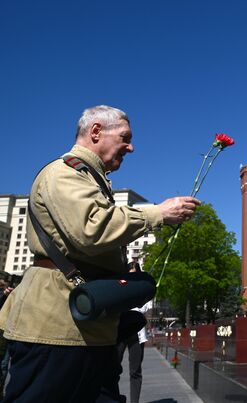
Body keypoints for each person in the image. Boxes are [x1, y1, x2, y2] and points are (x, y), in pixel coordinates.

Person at [0, 105, 201, 402]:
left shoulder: (90, 179)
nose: (131, 147)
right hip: (56, 329)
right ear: (96, 132)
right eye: (125, 137)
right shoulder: (63, 173)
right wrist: (157, 214)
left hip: (87, 328)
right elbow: (90, 229)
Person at [117, 262, 152, 403]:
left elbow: (146, 308)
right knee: (113, 368)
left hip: (137, 334)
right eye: (129, 274)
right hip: (121, 331)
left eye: (134, 274)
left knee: (136, 371)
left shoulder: (142, 288)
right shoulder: (119, 286)